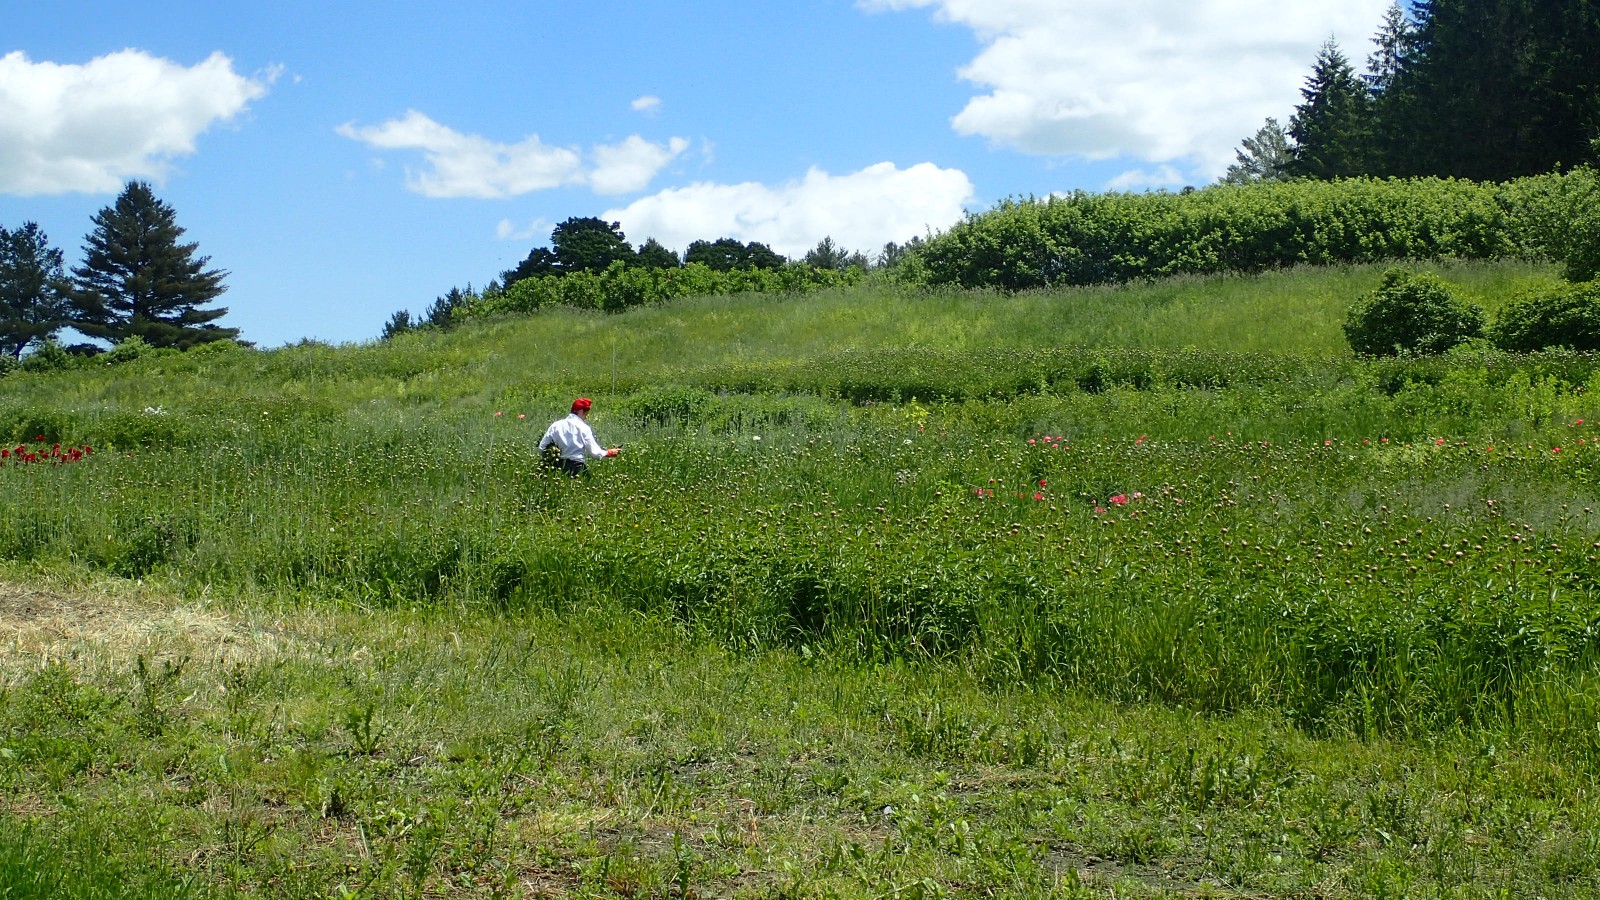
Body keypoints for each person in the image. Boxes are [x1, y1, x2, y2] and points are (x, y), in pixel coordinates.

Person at [538, 397, 619, 477]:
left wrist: (550, 458)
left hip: (557, 467)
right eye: (586, 413)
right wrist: (608, 453)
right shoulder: (583, 427)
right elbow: (594, 452)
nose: (586, 416)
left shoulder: (555, 425)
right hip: (576, 467)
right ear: (580, 411)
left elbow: (542, 448)